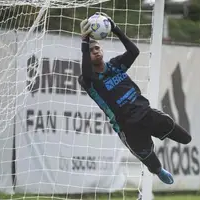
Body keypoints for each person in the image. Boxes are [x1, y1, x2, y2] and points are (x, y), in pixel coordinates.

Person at [78, 12, 192, 185]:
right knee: (150, 160)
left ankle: (159, 163)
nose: (95, 51)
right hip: (127, 126)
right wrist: (85, 42)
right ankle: (158, 171)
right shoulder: (89, 80)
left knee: (186, 138)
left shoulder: (115, 66)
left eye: (97, 48)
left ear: (102, 49)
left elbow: (134, 51)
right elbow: (86, 72)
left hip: (145, 112)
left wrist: (115, 29)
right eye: (91, 50)